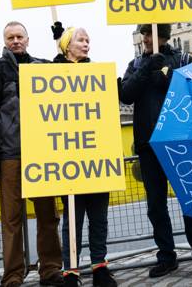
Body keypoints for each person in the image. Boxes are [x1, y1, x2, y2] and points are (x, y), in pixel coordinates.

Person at [120, 24, 192, 279]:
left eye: (151, 33)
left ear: (162, 35)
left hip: (179, 141)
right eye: (144, 34)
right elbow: (126, 94)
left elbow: (191, 88)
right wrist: (146, 68)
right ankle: (166, 256)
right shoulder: (135, 63)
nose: (146, 38)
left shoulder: (183, 58)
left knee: (190, 202)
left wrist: (164, 70)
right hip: (148, 144)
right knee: (156, 206)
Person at [0, 21, 63, 287]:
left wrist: (60, 43)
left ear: (27, 39)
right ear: (5, 41)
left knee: (47, 213)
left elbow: (68, 77)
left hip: (41, 151)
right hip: (11, 153)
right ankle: (13, 275)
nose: (15, 41)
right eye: (10, 37)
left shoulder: (42, 65)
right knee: (11, 217)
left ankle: (50, 269)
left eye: (19, 37)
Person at [52, 28, 117, 287]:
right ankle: (71, 271)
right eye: (81, 40)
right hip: (68, 157)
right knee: (73, 221)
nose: (86, 44)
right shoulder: (51, 72)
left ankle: (100, 266)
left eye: (89, 40)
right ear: (67, 45)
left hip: (96, 155)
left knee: (99, 217)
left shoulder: (97, 74)